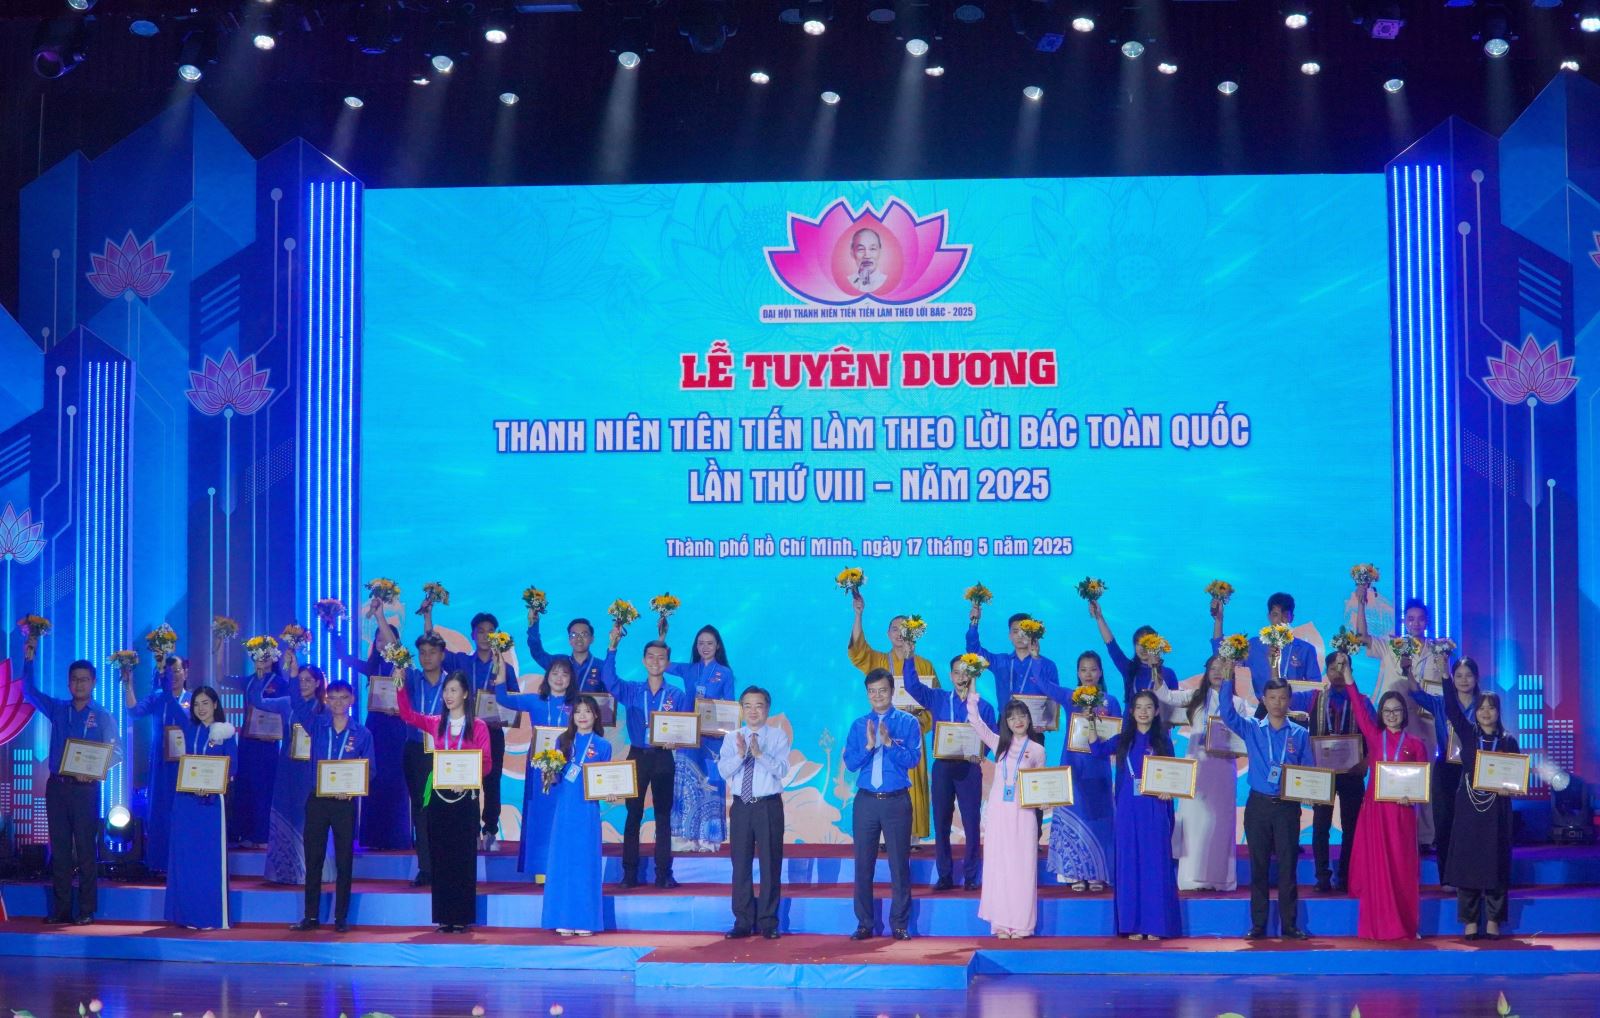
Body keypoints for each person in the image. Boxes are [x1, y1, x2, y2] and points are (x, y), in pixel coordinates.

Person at [20, 639, 121, 925]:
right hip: (57, 787)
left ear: (94, 683)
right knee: (60, 850)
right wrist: (29, 659)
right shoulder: (58, 709)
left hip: (86, 790)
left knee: (86, 850)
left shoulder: (102, 715)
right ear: (68, 683)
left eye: (84, 679)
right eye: (75, 679)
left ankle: (86, 910)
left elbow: (117, 752)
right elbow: (28, 692)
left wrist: (94, 771)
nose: (79, 684)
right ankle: (61, 910)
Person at [393, 667, 492, 933]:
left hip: (466, 799)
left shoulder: (479, 726)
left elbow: (486, 762)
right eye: (446, 690)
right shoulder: (436, 723)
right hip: (439, 798)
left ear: (465, 694)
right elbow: (407, 715)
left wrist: (467, 779)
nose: (448, 695)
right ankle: (444, 917)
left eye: (454, 690)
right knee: (441, 857)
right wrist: (400, 686)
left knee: (463, 859)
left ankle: (461, 917)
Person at [1353, 590, 1451, 849]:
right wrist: (1361, 602)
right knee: (1388, 778)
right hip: (1392, 727)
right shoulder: (1392, 645)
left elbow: (1445, 688)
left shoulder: (1438, 650)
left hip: (1424, 726)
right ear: (1404, 621)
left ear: (1427, 621)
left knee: (1424, 780)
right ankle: (1388, 834)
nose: (1415, 623)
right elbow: (1361, 637)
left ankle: (1425, 837)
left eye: (1420, 619)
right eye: (1411, 619)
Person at [1217, 677, 1314, 940]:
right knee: (1258, 867)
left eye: (1282, 698)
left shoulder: (1300, 734)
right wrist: (1227, 679)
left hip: (1287, 808)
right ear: (1263, 700)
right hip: (1258, 805)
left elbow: (1309, 769)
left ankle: (1289, 925)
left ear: (1289, 700)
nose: (1277, 703)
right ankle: (1258, 924)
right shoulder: (1252, 728)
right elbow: (1227, 714)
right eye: (1272, 698)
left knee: (1287, 867)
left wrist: (1311, 791)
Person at [1144, 654, 1250, 892]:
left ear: (1230, 673)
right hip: (1197, 767)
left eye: (1221, 668)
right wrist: (1155, 669)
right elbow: (1166, 695)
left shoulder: (1238, 703)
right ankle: (1190, 878)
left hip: (1223, 768)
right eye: (1212, 668)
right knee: (1194, 821)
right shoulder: (1195, 698)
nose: (1217, 672)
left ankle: (1220, 879)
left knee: (1220, 821)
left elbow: (1247, 731)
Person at [601, 625, 694, 888]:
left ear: (667, 662)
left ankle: (664, 874)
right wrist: (612, 647)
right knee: (633, 815)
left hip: (664, 757)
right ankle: (629, 874)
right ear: (643, 661)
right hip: (637, 757)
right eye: (651, 657)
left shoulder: (677, 695)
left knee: (663, 817)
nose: (655, 661)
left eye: (661, 658)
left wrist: (679, 740)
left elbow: (686, 728)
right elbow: (609, 679)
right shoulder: (631, 690)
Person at [1087, 690, 1183, 941]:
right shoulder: (1123, 740)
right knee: (1130, 864)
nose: (1143, 712)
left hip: (1154, 807)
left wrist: (1169, 791)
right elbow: (1097, 750)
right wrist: (1090, 722)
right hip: (1128, 809)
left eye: (1149, 707)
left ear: (1156, 711)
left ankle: (1156, 925)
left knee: (1154, 865)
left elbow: (1174, 774)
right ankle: (1133, 924)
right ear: (1131, 711)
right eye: (1139, 707)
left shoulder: (1163, 741)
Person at [424, 607, 520, 851]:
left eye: (491, 631)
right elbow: (434, 645)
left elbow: (514, 703)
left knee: (492, 781)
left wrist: (503, 718)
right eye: (481, 631)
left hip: (492, 732)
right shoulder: (463, 661)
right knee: (465, 779)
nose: (486, 635)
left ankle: (490, 831)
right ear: (473, 635)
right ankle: (471, 830)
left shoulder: (505, 668)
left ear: (497, 635)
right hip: (465, 731)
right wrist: (428, 617)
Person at [846, 590, 938, 845]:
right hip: (881, 732)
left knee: (912, 780)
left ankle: (912, 836)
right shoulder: (878, 660)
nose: (899, 633)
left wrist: (917, 722)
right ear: (888, 634)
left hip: (909, 733)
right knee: (881, 779)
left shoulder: (925, 666)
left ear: (913, 634)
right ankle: (883, 834)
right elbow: (858, 652)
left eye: (904, 629)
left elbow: (933, 704)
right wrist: (858, 614)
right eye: (895, 629)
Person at [902, 655, 996, 891]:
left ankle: (971, 875)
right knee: (941, 821)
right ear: (950, 675)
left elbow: (993, 737)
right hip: (943, 767)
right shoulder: (939, 698)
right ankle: (944, 875)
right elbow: (912, 687)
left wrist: (981, 753)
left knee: (972, 823)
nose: (961, 677)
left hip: (969, 768)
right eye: (956, 672)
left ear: (973, 675)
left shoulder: (984, 707)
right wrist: (908, 658)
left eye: (966, 672)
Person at [324, 605, 412, 853]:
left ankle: (396, 838)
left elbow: (396, 649)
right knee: (373, 779)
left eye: (386, 637)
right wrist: (333, 628)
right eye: (378, 638)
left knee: (395, 782)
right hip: (375, 728)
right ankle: (373, 837)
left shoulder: (402, 666)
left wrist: (380, 616)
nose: (382, 642)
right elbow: (343, 657)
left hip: (396, 729)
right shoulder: (372, 667)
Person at [844, 667, 922, 941]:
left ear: (892, 691)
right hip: (866, 801)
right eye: (872, 691)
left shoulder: (908, 722)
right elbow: (850, 763)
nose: (877, 696)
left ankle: (899, 924)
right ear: (867, 694)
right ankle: (864, 924)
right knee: (863, 865)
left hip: (896, 801)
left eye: (883, 690)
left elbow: (913, 760)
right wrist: (868, 746)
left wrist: (888, 743)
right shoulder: (858, 725)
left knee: (899, 866)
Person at [291, 679, 373, 934]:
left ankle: (341, 917)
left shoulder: (362, 733)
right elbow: (297, 704)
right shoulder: (317, 724)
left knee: (344, 860)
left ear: (352, 700)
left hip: (344, 803)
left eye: (344, 697)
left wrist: (352, 789)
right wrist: (293, 674)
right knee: (313, 858)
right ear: (326, 700)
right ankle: (311, 916)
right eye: (333, 698)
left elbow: (370, 770)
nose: (338, 703)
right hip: (317, 800)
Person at [1345, 686, 1427, 940]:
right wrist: (1349, 681)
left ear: (1404, 713)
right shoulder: (1374, 736)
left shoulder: (1416, 744)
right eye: (1387, 710)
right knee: (1377, 868)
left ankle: (1405, 924)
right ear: (1381, 713)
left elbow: (1422, 782)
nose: (1392, 715)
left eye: (1396, 710)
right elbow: (1359, 709)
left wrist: (1412, 797)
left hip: (1402, 813)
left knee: (1402, 868)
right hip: (1376, 812)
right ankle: (1378, 925)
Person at [1441, 675, 1518, 940]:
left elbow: (1516, 776)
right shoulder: (1468, 733)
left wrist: (1510, 788)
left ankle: (1494, 919)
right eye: (1481, 707)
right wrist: (1445, 676)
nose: (1486, 712)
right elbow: (1451, 708)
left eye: (1491, 708)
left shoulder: (1508, 741)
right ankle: (1470, 920)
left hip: (1497, 808)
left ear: (1498, 712)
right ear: (1475, 711)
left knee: (1496, 859)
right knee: (1468, 860)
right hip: (1469, 806)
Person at [245, 646, 327, 885]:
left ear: (318, 683)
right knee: (285, 812)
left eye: (308, 680)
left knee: (307, 816)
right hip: (287, 767)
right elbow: (256, 700)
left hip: (310, 769)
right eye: (300, 680)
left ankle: (309, 871)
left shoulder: (324, 709)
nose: (303, 684)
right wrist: (260, 675)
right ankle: (282, 872)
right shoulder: (286, 703)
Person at [490, 655, 577, 878]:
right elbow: (503, 699)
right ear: (547, 677)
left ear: (571, 679)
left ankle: (562, 867)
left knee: (563, 814)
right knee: (539, 815)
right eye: (554, 673)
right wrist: (501, 673)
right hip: (538, 767)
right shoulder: (534, 700)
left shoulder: (577, 705)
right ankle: (539, 867)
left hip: (566, 767)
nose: (559, 678)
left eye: (564, 674)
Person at [966, 694, 1046, 938]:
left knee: (1023, 868)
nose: (1017, 721)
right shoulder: (999, 744)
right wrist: (972, 699)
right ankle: (1000, 923)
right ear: (1006, 723)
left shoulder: (1037, 750)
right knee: (999, 867)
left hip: (1024, 814)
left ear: (1029, 719)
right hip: (999, 813)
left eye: (1022, 716)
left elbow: (1041, 784)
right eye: (1012, 718)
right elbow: (977, 723)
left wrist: (1044, 799)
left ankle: (1022, 924)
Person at [1401, 656, 1484, 886]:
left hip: (1473, 768)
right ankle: (1447, 877)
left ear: (1476, 678)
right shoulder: (1441, 703)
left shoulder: (1483, 705)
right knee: (1444, 823)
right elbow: (1416, 693)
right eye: (1459, 676)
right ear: (1451, 678)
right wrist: (1408, 671)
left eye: (1468, 675)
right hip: (1446, 769)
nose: (1464, 680)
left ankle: (1471, 875)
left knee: (1471, 823)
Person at [159, 684, 236, 929]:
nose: (201, 708)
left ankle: (210, 916)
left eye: (205, 703)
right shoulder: (188, 727)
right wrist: (163, 671)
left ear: (215, 704)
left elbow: (232, 768)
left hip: (212, 804)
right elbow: (170, 700)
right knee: (187, 859)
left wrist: (213, 786)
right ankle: (188, 916)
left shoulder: (226, 732)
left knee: (208, 861)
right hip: (186, 802)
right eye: (196, 704)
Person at [1289, 651, 1366, 894]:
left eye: (1343, 668)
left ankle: (1346, 876)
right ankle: (1322, 876)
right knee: (1321, 826)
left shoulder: (1362, 701)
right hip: (1322, 773)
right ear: (1326, 671)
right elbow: (1282, 697)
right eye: (1333, 668)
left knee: (1351, 827)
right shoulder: (1314, 698)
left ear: (1351, 671)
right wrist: (1274, 663)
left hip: (1353, 772)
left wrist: (1367, 761)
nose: (1338, 673)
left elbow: (1376, 732)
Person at [717, 685, 789, 940]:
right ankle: (743, 921)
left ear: (767, 709)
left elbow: (782, 770)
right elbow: (723, 771)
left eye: (758, 706)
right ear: (741, 709)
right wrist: (740, 755)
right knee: (740, 865)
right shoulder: (732, 737)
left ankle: (768, 921)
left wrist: (759, 754)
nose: (753, 711)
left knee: (770, 863)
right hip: (741, 807)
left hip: (768, 805)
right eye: (747, 706)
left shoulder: (778, 736)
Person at [1047, 649, 1122, 893]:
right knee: (1074, 817)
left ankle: (1098, 873)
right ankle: (1074, 873)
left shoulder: (1110, 702)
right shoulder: (1071, 698)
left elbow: (1119, 737)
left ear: (1100, 672)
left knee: (1098, 820)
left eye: (1093, 669)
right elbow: (1044, 685)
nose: (1088, 674)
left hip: (1098, 769)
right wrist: (1035, 656)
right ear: (1077, 673)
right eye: (1083, 669)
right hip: (1073, 767)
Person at [126, 646, 204, 875]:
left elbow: (195, 727)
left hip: (185, 764)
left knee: (183, 812)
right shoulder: (157, 697)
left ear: (185, 673)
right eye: (169, 672)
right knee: (159, 811)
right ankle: (159, 863)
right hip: (161, 764)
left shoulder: (194, 700)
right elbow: (133, 712)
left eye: (177, 671)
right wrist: (128, 684)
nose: (174, 676)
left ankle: (183, 863)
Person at [542, 694, 615, 936]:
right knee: (563, 863)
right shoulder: (563, 741)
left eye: (587, 711)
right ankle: (563, 917)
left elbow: (607, 780)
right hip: (565, 810)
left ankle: (586, 920)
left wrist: (611, 792)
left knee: (585, 863)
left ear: (596, 715)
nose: (582, 716)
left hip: (587, 811)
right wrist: (548, 773)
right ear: (572, 716)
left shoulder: (603, 746)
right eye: (578, 712)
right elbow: (555, 779)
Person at [662, 620, 736, 854]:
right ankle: (687, 837)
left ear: (718, 646)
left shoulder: (725, 673)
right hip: (689, 737)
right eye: (701, 643)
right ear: (696, 646)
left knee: (711, 784)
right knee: (687, 784)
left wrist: (722, 728)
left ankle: (710, 838)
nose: (705, 647)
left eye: (710, 643)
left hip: (713, 739)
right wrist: (662, 638)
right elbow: (662, 664)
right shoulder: (689, 669)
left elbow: (730, 707)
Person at [401, 631, 451, 886]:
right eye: (422, 653)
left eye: (432, 652)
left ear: (442, 655)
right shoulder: (411, 679)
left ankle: (445, 866)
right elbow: (395, 650)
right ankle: (426, 868)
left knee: (444, 809)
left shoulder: (453, 683)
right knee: (420, 809)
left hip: (444, 751)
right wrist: (380, 617)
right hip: (416, 749)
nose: (427, 657)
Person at [1210, 591, 1322, 701]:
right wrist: (1219, 620)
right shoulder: (1255, 645)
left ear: (1292, 617)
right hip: (1264, 707)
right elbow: (1221, 656)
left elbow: (1316, 689)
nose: (1280, 621)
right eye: (1275, 615)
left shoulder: (1305, 649)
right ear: (1269, 617)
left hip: (1294, 707)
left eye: (1285, 615)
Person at [228, 644, 285, 848]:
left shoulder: (280, 682)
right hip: (247, 742)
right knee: (244, 786)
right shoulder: (249, 680)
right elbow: (220, 678)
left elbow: (287, 708)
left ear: (274, 657)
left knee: (264, 788)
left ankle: (262, 835)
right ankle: (244, 833)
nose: (262, 657)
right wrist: (219, 644)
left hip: (268, 744)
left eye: (266, 654)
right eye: (259, 654)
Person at [966, 602, 1060, 707]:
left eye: (1025, 632)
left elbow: (1055, 698)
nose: (1020, 636)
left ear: (1032, 634)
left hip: (1037, 717)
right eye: (1015, 631)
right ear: (1009, 635)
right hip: (1005, 717)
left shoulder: (1047, 665)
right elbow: (974, 652)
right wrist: (974, 622)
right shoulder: (1000, 662)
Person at [1089, 600, 1179, 692]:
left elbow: (1175, 700)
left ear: (1155, 645)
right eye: (1138, 643)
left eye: (1146, 643)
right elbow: (1111, 645)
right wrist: (1099, 617)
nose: (1142, 648)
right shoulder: (1128, 669)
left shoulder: (1169, 674)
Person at [527, 609, 605, 693]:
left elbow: (610, 696)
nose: (579, 638)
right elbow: (537, 652)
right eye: (574, 634)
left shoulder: (602, 666)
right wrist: (533, 625)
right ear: (569, 640)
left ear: (592, 639)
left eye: (584, 634)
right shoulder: (558, 662)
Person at [848, 228, 887, 292]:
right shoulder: (848, 282)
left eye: (872, 249)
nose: (867, 256)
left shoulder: (887, 282)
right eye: (861, 249)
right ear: (852, 253)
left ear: (880, 252)